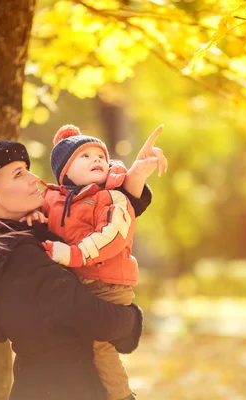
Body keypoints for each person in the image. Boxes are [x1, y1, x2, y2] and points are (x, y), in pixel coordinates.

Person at [0, 133, 167, 400]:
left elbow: (87, 223)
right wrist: (131, 320)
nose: (33, 179)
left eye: (28, 171)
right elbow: (90, 315)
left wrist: (135, 177)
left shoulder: (16, 240)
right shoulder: (19, 257)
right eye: (19, 174)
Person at [31, 124, 164, 400]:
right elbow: (39, 218)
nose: (96, 160)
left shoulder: (112, 198)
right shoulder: (53, 199)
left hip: (108, 285)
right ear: (65, 171)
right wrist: (32, 217)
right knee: (77, 346)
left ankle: (122, 396)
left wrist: (74, 255)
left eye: (100, 156)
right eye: (85, 155)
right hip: (80, 283)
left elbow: (112, 236)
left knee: (100, 348)